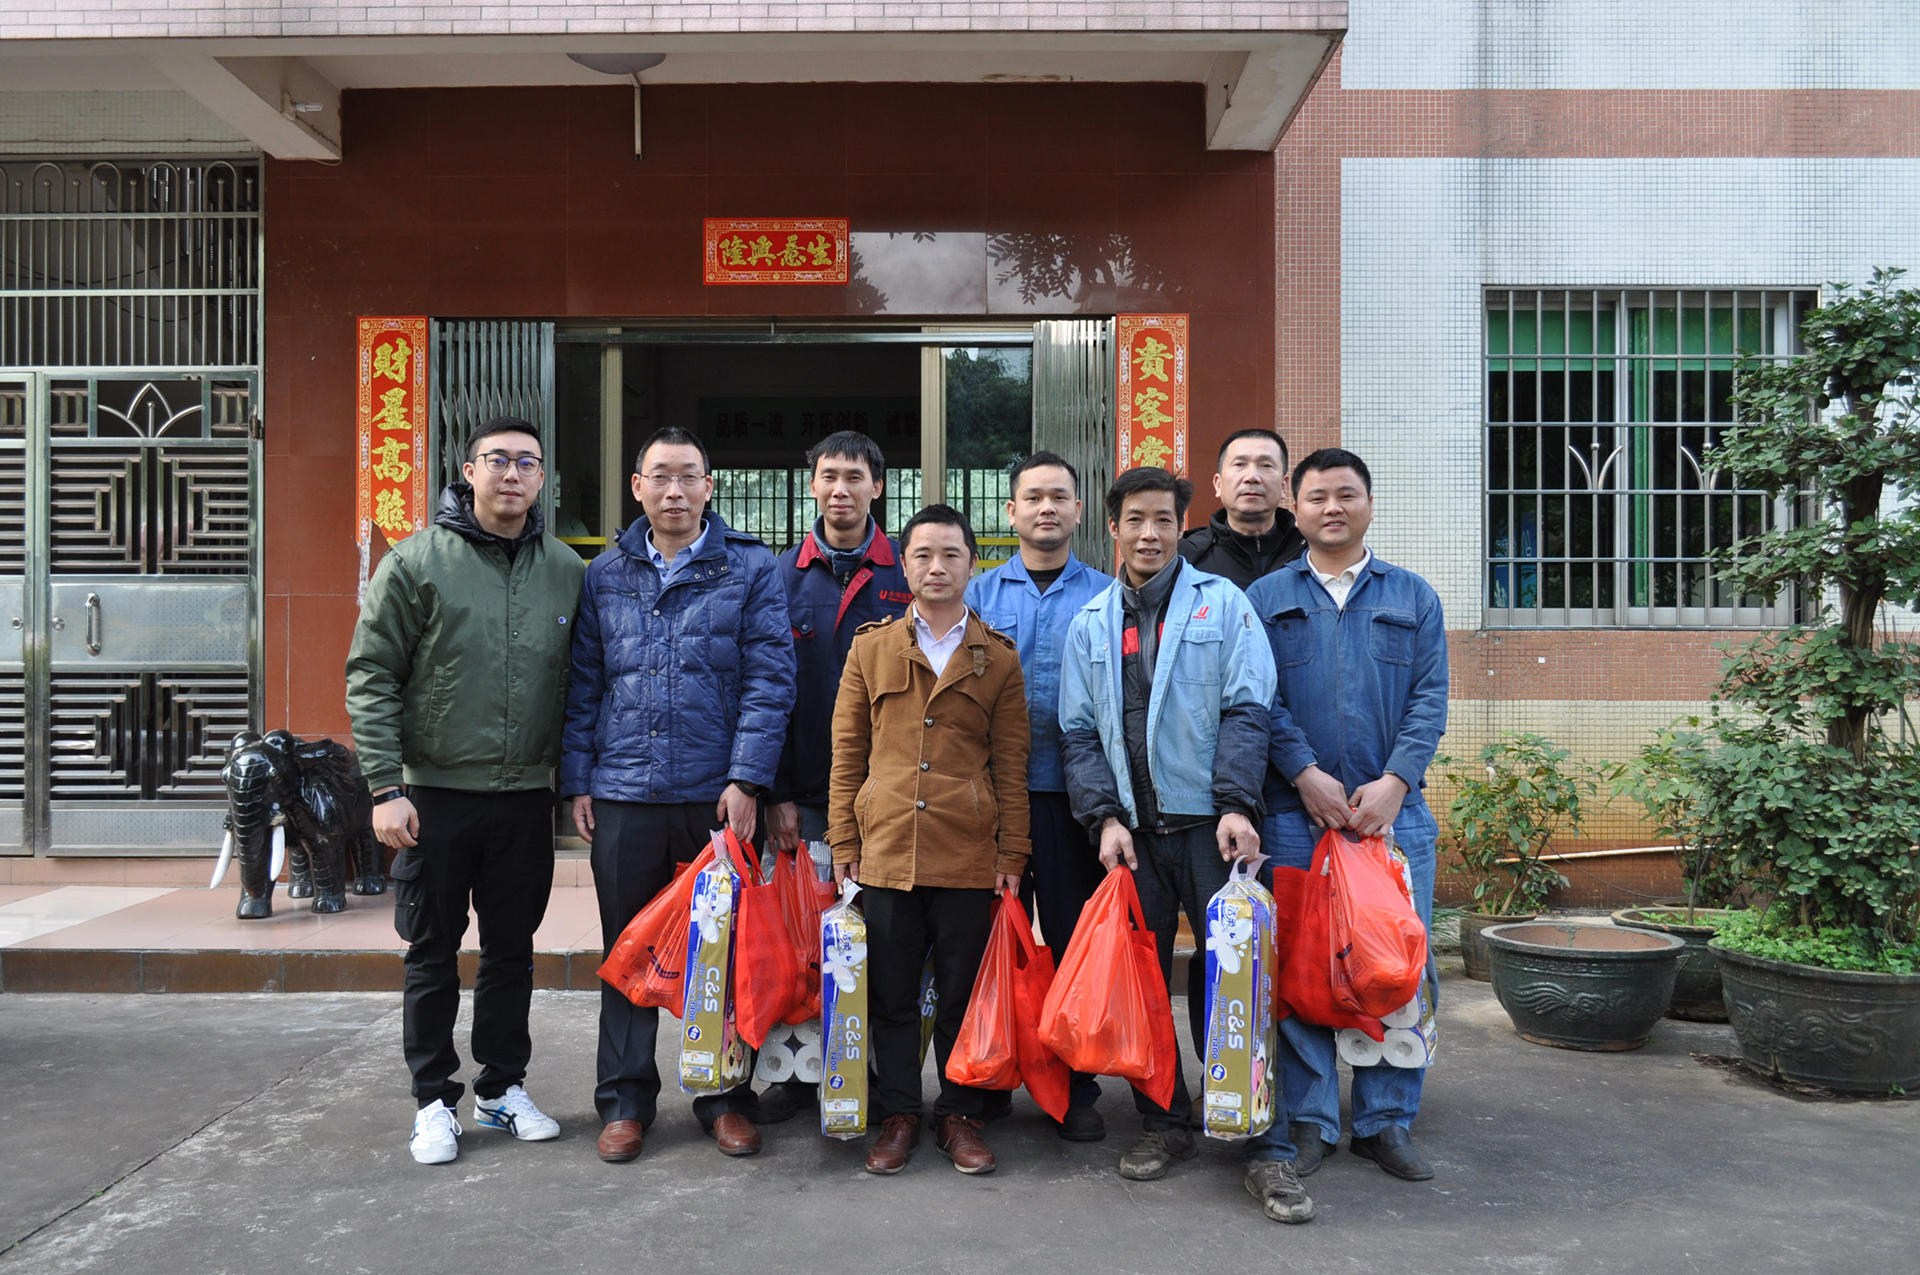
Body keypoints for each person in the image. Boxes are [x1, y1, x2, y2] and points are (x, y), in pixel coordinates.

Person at [1059, 467, 1312, 1225]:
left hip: (1209, 828)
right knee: (1142, 983)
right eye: (1135, 519)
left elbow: (1248, 708)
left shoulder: (1223, 604)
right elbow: (1078, 733)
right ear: (1113, 526)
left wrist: (1235, 803)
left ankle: (1262, 1142)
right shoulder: (1089, 622)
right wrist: (1104, 818)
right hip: (1133, 836)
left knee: (1235, 978)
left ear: (1182, 525)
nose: (1150, 533)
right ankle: (1165, 1119)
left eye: (1164, 519)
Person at [346, 416, 586, 1166]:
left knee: (512, 952)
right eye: (498, 460)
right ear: (469, 469)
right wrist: (385, 787)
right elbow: (372, 673)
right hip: (434, 795)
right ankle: (432, 1101)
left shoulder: (565, 568)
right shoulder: (416, 561)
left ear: (542, 478)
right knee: (432, 952)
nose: (512, 473)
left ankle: (502, 1087)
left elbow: (583, 680)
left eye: (528, 462)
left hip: (524, 795)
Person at [561, 425, 795, 1165]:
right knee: (627, 952)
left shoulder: (749, 567)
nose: (674, 491)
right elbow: (585, 683)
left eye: (688, 476)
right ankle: (625, 1101)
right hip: (625, 789)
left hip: (714, 796)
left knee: (720, 953)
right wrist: (578, 779)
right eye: (659, 476)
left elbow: (770, 680)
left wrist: (747, 779)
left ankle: (724, 1098)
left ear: (709, 486)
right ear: (637, 487)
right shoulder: (605, 573)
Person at [1247, 447, 1448, 1185]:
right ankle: (1310, 1121)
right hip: (1297, 815)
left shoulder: (1413, 597)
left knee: (1397, 965)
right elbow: (1258, 699)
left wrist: (1396, 781)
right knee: (1302, 971)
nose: (1332, 508)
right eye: (1317, 497)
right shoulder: (1265, 598)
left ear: (1369, 503)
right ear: (1293, 508)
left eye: (1346, 494)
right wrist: (1303, 773)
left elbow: (1429, 698)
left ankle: (1386, 1120)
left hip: (1394, 818)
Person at [827, 505, 1031, 1177]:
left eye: (951, 554)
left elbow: (1011, 764)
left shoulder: (998, 657)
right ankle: (899, 1114)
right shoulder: (871, 647)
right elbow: (847, 752)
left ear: (972, 564)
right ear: (904, 564)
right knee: (889, 994)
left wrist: (1012, 854)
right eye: (922, 554)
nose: (936, 567)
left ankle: (960, 1114)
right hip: (885, 846)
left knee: (961, 995)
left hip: (968, 851)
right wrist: (844, 839)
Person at [757, 431, 911, 1124]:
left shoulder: (906, 571)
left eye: (855, 476)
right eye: (829, 475)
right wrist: (776, 793)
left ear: (878, 485)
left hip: (894, 798)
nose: (841, 488)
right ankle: (797, 1075)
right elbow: (766, 690)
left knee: (882, 939)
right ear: (813, 484)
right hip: (806, 798)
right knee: (801, 940)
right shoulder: (779, 575)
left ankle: (871, 1072)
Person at [963, 451, 1113, 1142]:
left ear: (1079, 510)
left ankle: (1077, 1086)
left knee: (1075, 941)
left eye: (1059, 496)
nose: (1046, 507)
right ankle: (989, 1078)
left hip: (1075, 801)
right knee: (987, 943)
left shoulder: (1108, 595)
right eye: (1033, 497)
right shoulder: (978, 596)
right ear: (1011, 511)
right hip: (991, 800)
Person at [1177, 428, 1306, 590]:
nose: (1251, 477)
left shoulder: (1310, 552)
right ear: (1218, 484)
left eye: (1265, 465)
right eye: (1240, 464)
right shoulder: (1185, 557)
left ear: (1283, 486)